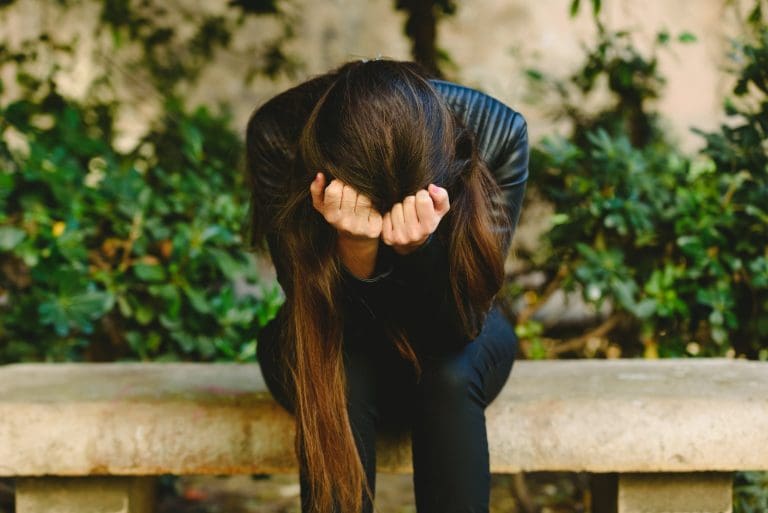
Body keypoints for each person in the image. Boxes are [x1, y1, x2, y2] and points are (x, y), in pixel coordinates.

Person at [244, 58, 529, 513]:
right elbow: (313, 311)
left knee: (450, 375)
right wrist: (355, 248)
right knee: (342, 371)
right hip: (327, 336)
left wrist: (420, 250)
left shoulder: (494, 132)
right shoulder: (281, 133)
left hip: (458, 342)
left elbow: (461, 327)